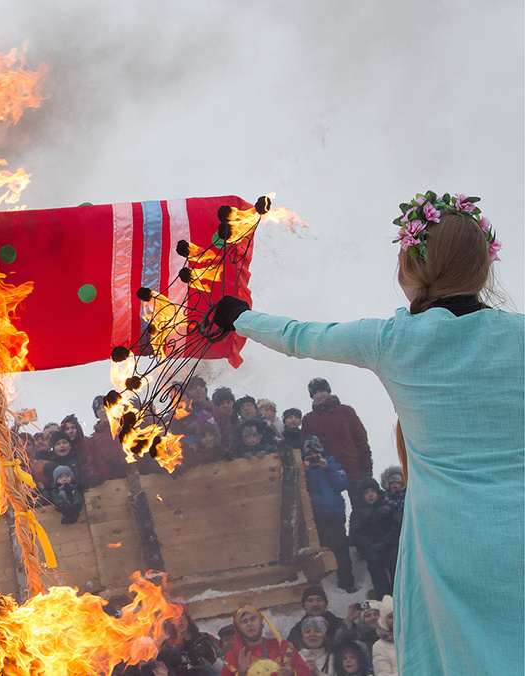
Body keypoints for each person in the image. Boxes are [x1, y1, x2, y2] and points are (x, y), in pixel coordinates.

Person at [213, 191, 524, 674]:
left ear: (414, 268)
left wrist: (239, 316)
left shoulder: (394, 340)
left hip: (449, 537)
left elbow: (300, 335)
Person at [300, 437, 357, 594]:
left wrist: (327, 467)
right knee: (320, 548)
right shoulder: (304, 469)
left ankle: (346, 582)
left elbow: (343, 484)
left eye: (316, 454)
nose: (313, 458)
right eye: (309, 455)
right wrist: (303, 469)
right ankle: (324, 583)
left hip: (334, 513)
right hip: (314, 515)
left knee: (340, 548)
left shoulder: (331, 464)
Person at [300, 378, 372, 496]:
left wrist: (367, 468)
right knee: (332, 511)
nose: (319, 395)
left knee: (361, 510)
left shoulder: (346, 411)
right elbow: (307, 447)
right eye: (315, 393)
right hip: (326, 472)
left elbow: (361, 440)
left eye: (322, 391)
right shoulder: (309, 419)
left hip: (353, 469)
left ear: (328, 391)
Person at [219, 604, 312, 676]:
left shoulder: (284, 647)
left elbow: (306, 673)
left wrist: (292, 674)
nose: (249, 624)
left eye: (253, 619)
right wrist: (241, 673)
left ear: (261, 623)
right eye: (244, 621)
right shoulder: (232, 657)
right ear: (239, 629)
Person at [347, 479, 397, 599]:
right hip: (371, 547)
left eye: (373, 491)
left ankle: (399, 592)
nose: (370, 495)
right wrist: (368, 545)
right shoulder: (358, 513)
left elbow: (395, 525)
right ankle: (384, 597)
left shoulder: (387, 507)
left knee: (394, 560)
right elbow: (355, 533)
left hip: (389, 544)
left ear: (378, 493)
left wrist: (387, 541)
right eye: (366, 492)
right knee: (375, 564)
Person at [286, 585, 345, 651]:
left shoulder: (339, 625)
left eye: (319, 600)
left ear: (325, 605)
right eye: (310, 600)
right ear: (304, 606)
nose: (315, 604)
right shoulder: (296, 632)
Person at [369, 596, 395, 676]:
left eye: (397, 615)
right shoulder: (379, 646)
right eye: (390, 617)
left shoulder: (414, 638)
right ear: (384, 620)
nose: (395, 619)